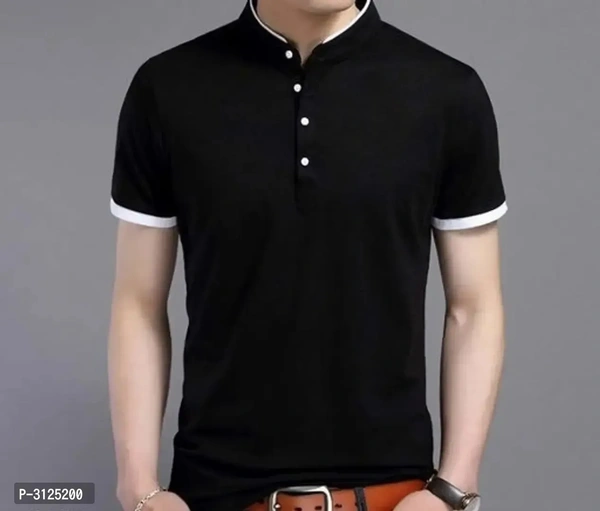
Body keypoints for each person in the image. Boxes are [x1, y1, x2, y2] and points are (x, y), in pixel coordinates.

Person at [107, 1, 508, 510]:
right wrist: (139, 488)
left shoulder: (447, 91)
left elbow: (474, 307)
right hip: (214, 493)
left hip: (393, 495)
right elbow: (138, 304)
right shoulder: (167, 88)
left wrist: (452, 488)